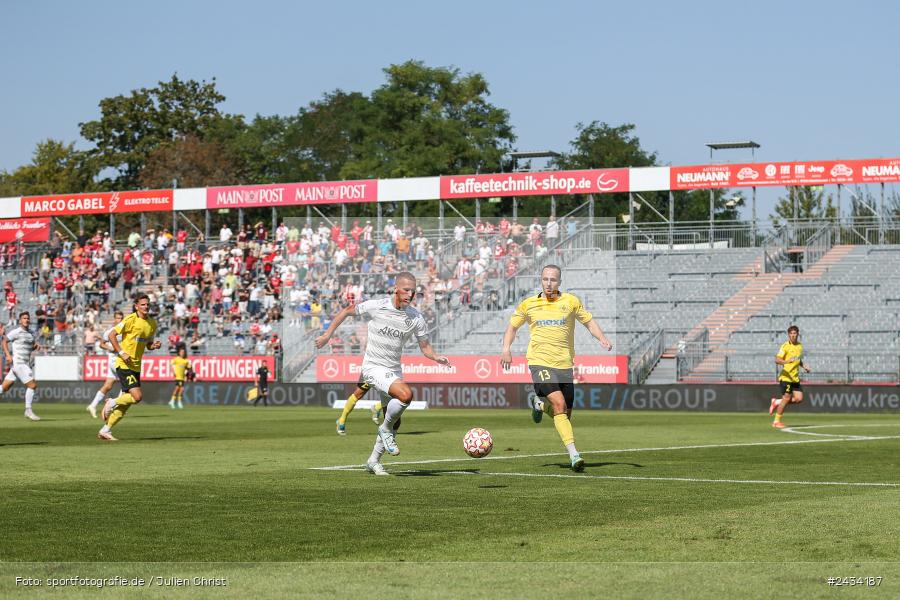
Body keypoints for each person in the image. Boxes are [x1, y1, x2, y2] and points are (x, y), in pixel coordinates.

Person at [315, 272, 450, 475]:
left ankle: (373, 461)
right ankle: (384, 430)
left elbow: (425, 347)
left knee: (396, 418)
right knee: (405, 395)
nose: (410, 294)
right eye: (406, 289)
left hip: (393, 369)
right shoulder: (377, 306)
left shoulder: (415, 318)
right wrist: (327, 335)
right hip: (372, 366)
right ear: (396, 288)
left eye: (413, 291)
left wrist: (436, 357)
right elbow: (346, 311)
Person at [500, 264, 613, 472]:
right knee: (560, 404)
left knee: (564, 415)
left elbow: (588, 322)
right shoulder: (529, 304)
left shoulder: (570, 301)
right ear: (541, 280)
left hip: (564, 365)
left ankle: (541, 406)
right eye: (545, 279)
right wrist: (506, 349)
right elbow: (512, 327)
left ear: (559, 282)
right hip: (539, 361)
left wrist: (602, 338)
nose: (549, 283)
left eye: (553, 279)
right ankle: (574, 455)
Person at [97, 294, 161, 441]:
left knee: (127, 404)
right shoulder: (131, 319)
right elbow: (112, 335)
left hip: (136, 366)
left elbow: (148, 343)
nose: (146, 307)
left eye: (147, 304)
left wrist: (154, 345)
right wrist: (121, 352)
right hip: (124, 363)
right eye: (143, 304)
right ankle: (111, 402)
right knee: (137, 397)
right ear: (136, 306)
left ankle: (105, 430)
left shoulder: (152, 323)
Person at [1, 312, 42, 421]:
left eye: (28, 318)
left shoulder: (31, 333)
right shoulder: (16, 332)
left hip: (24, 364)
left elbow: (30, 346)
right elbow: (4, 341)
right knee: (32, 385)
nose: (26, 320)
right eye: (24, 318)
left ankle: (28, 410)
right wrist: (8, 355)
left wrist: (35, 346)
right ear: (20, 321)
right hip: (18, 363)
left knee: (4, 388)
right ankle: (28, 410)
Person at [770, 325, 811, 429]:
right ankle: (776, 421)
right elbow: (777, 360)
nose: (793, 335)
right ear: (788, 335)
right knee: (787, 397)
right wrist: (786, 361)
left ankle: (777, 402)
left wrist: (804, 366)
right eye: (791, 333)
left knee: (799, 399)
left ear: (797, 334)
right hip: (786, 377)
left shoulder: (800, 346)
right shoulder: (785, 346)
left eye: (795, 333)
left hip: (795, 378)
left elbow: (798, 360)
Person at [86, 311, 124, 418]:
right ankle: (117, 406)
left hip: (116, 360)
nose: (119, 320)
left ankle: (92, 405)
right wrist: (111, 348)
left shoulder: (124, 331)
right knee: (127, 383)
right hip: (114, 360)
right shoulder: (110, 331)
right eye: (117, 318)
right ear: (114, 319)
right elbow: (102, 344)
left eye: (121, 318)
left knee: (108, 386)